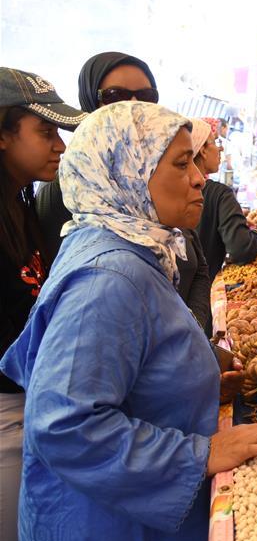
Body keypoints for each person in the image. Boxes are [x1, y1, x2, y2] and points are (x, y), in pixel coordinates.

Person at [0, 102, 257, 541]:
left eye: (196, 161)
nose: (199, 177)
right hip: (104, 538)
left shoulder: (125, 246)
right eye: (181, 164)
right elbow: (64, 424)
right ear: (127, 174)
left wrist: (189, 386)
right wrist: (200, 454)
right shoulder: (109, 277)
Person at [35, 51, 212, 332]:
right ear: (90, 101)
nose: (134, 105)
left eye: (146, 95)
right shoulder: (102, 269)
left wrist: (192, 335)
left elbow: (197, 266)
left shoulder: (162, 191)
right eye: (116, 95)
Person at [0, 67, 86, 541]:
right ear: (2, 135)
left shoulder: (21, 202)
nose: (60, 146)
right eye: (46, 132)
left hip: (29, 401)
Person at [191, 117, 257, 287]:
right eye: (215, 142)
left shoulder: (168, 194)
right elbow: (242, 249)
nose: (221, 147)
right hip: (203, 294)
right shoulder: (220, 194)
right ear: (202, 150)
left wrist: (233, 221)